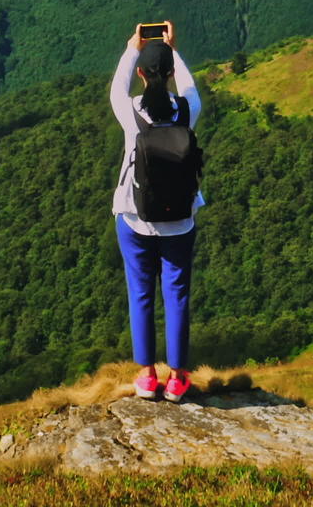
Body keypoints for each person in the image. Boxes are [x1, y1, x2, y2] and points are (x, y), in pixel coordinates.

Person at [109, 20, 203, 402]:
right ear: (168, 73)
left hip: (134, 217)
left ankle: (147, 376)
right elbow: (191, 88)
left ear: (143, 75)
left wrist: (133, 48)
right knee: (176, 293)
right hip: (180, 219)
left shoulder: (130, 112)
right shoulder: (187, 111)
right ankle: (178, 378)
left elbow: (117, 87)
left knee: (141, 293)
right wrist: (173, 49)